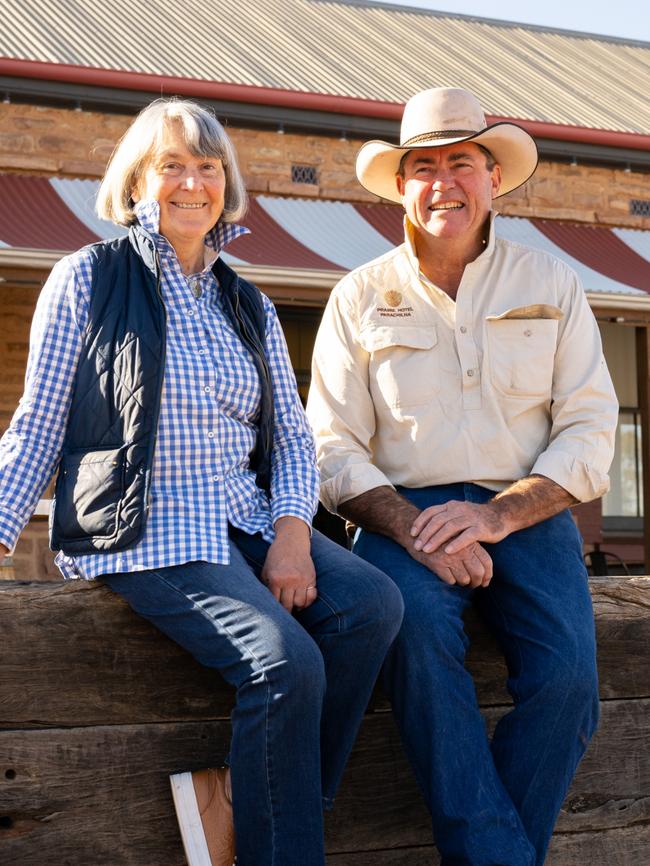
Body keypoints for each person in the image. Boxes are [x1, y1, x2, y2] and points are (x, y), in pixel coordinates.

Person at [0, 98, 404, 866]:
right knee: (284, 662)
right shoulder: (88, 277)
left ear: (228, 183)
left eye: (209, 167)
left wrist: (293, 530)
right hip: (141, 528)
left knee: (372, 606)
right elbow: (39, 422)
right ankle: (272, 835)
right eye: (172, 165)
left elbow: (290, 433)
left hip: (243, 520)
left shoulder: (244, 300)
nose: (193, 182)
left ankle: (251, 797)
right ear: (137, 181)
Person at [307, 86, 618, 866]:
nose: (445, 181)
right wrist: (413, 526)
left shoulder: (552, 285)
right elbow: (329, 445)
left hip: (527, 510)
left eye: (463, 163)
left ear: (493, 178)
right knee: (415, 652)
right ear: (402, 186)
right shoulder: (357, 296)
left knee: (571, 686)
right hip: (401, 514)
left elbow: (588, 427)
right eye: (425, 167)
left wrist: (499, 517)